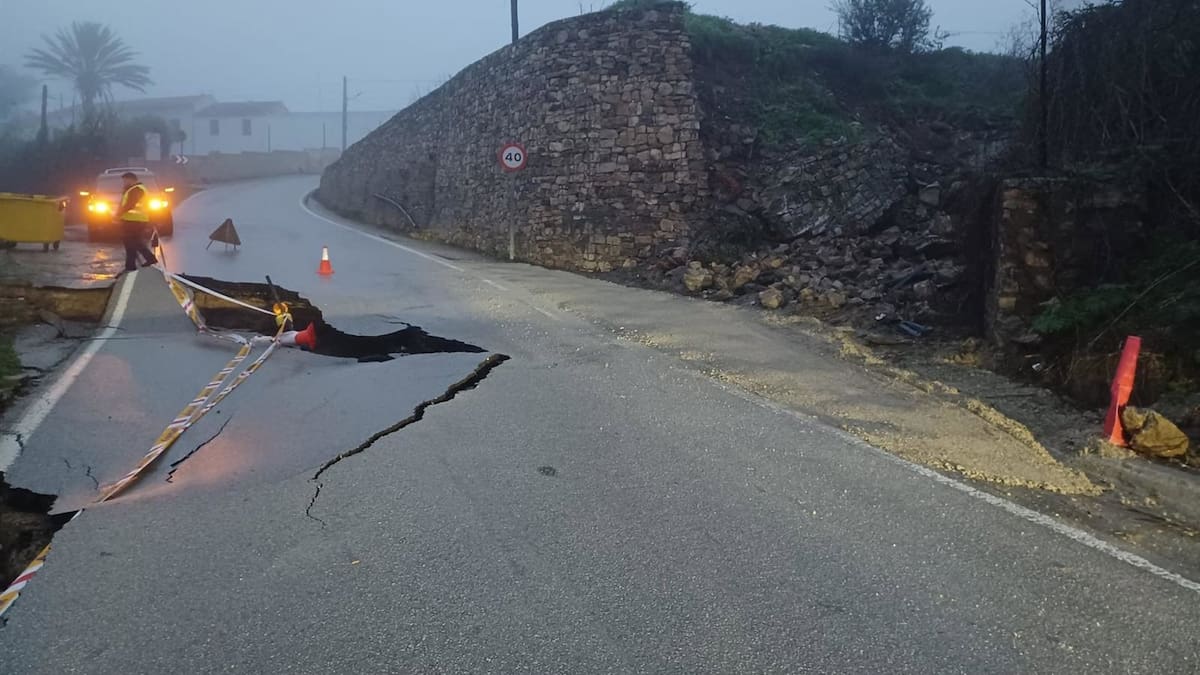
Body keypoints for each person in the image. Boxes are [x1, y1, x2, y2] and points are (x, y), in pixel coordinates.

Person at [114, 172, 158, 271]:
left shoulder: (136, 190)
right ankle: (142, 261)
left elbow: (130, 204)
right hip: (134, 220)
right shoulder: (133, 189)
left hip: (134, 221)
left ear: (131, 179)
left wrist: (118, 215)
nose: (124, 182)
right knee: (134, 242)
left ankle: (131, 266)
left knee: (130, 243)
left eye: (125, 180)